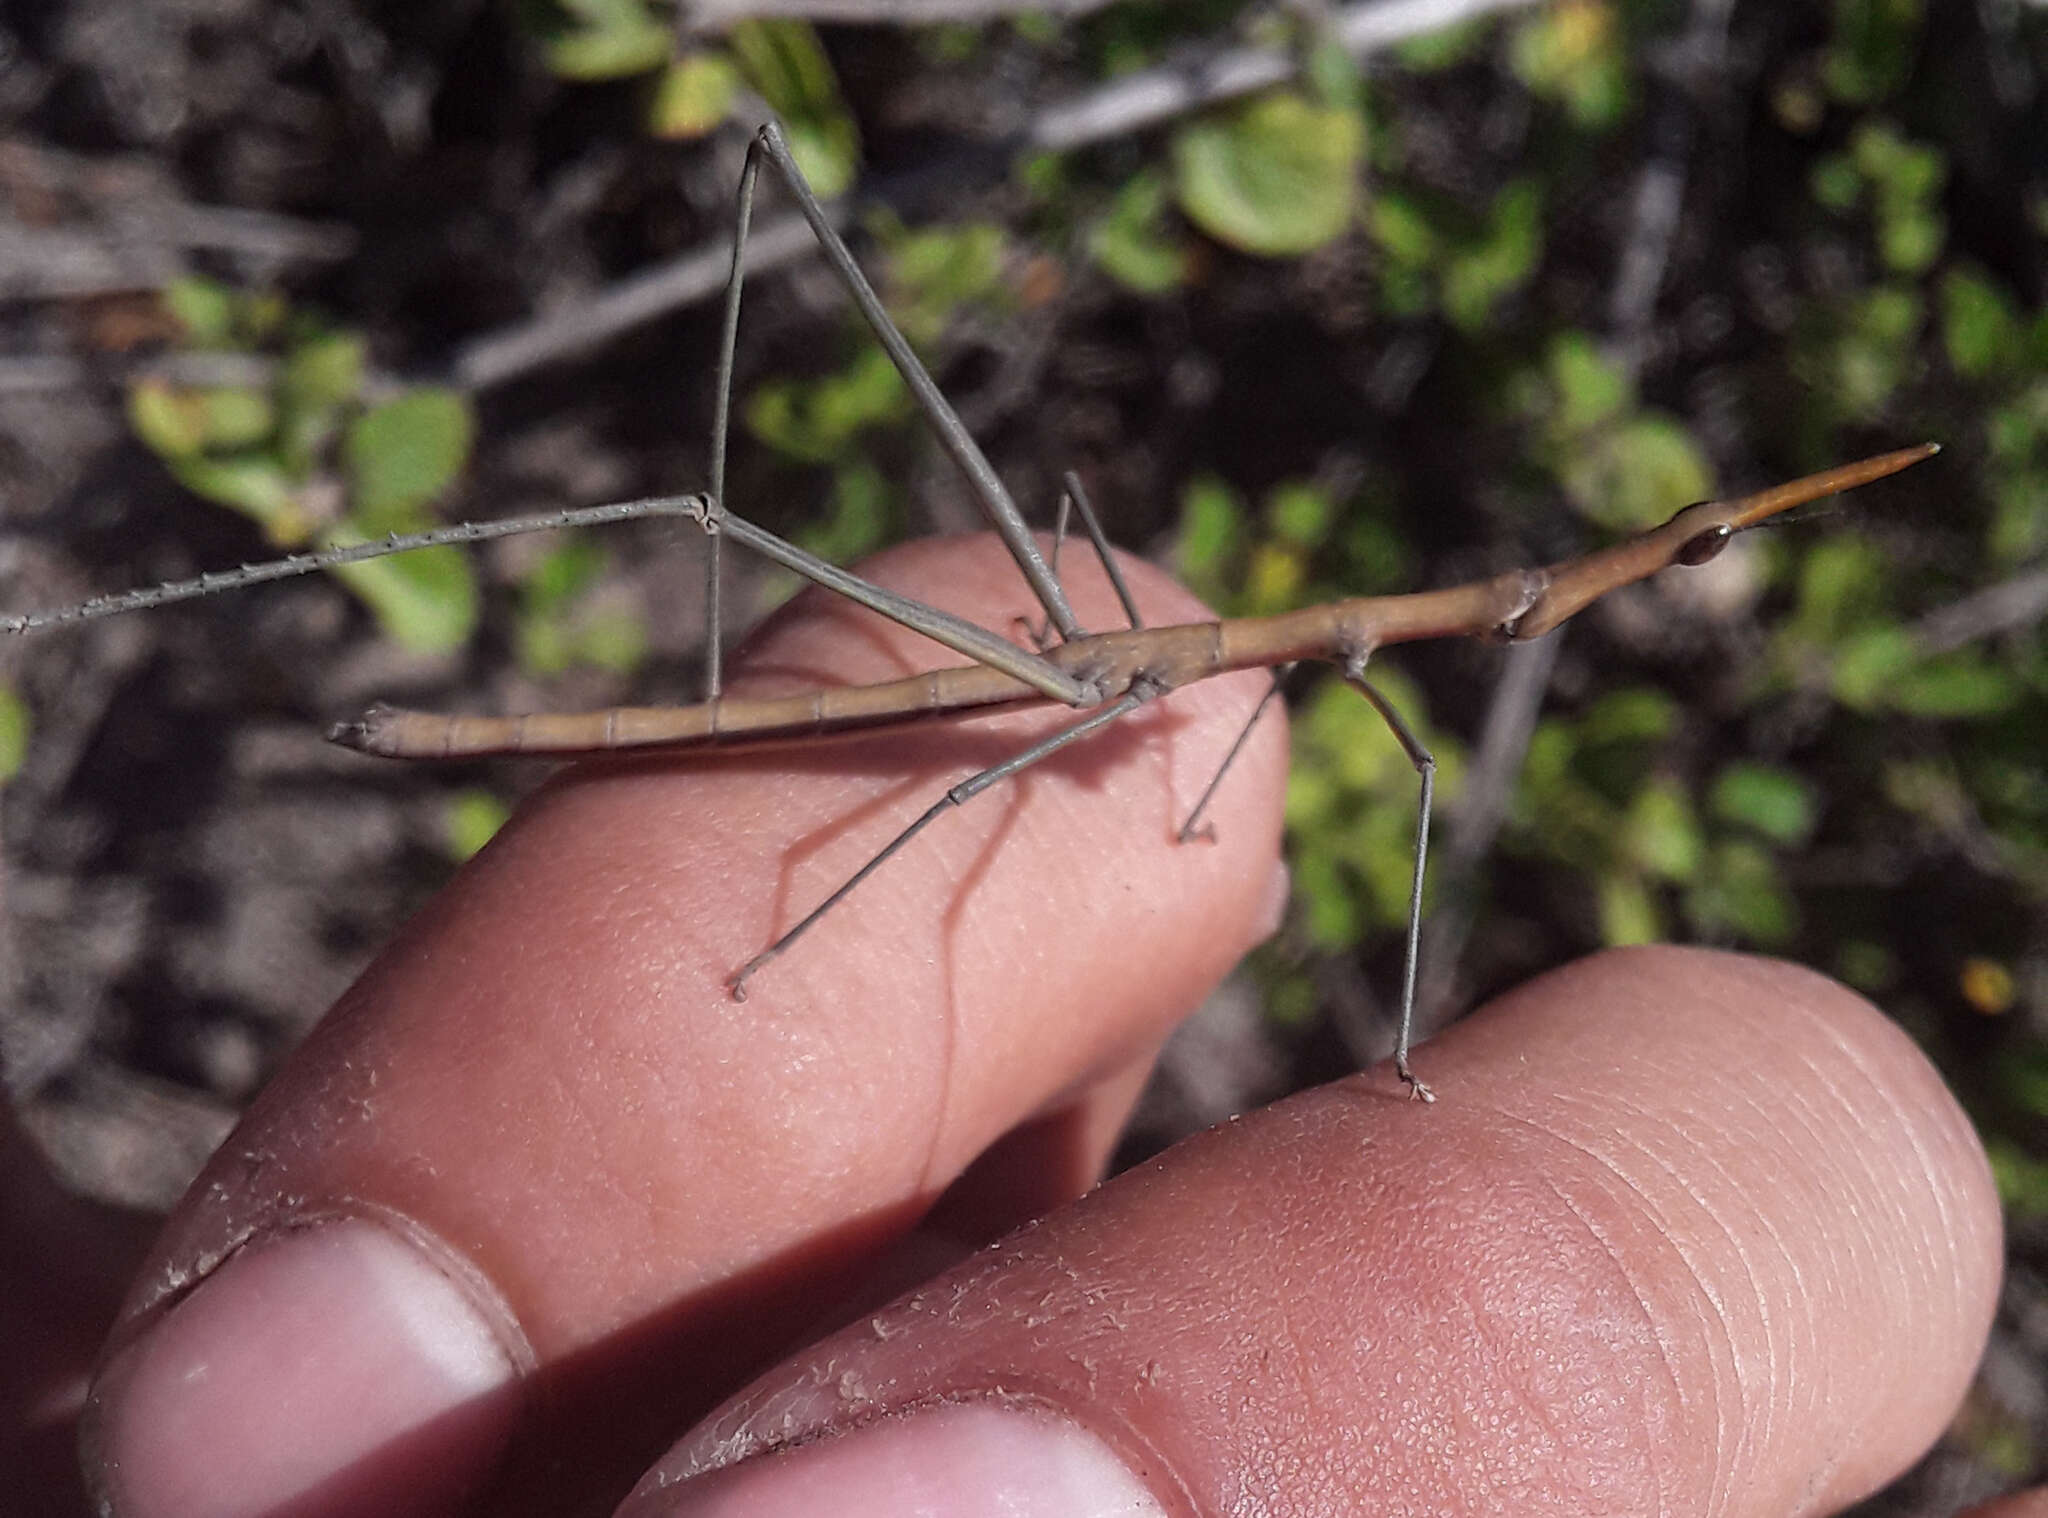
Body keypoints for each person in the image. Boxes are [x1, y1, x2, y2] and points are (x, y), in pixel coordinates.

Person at [3, 537, 2016, 1517]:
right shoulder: (1304, 703)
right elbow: (993, 791)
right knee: (876, 726)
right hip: (989, 679)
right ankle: (62, 622)